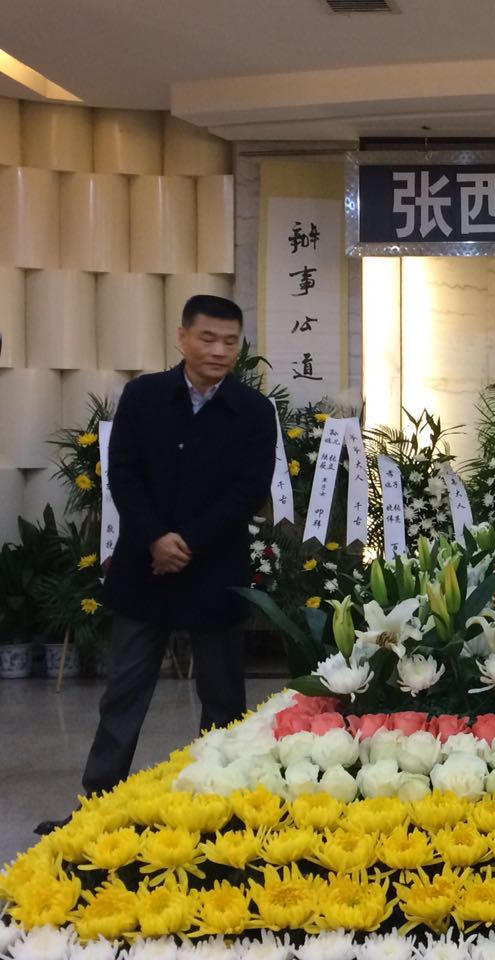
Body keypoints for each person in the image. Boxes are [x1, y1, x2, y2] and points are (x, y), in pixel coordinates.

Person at [63, 295, 277, 817]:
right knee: (123, 695)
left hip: (216, 571)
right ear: (182, 337)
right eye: (208, 338)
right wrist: (156, 538)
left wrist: (187, 543)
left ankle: (219, 809)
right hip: (145, 567)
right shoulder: (144, 395)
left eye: (230, 341)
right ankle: (97, 808)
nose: (219, 351)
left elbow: (249, 490)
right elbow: (122, 475)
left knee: (223, 701)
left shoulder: (254, 410)